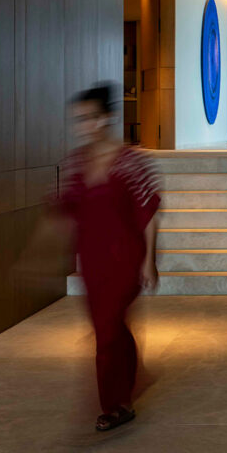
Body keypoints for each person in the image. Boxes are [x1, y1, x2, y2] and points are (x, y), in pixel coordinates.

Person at [58, 82, 161, 431]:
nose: (83, 126)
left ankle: (115, 405)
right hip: (91, 260)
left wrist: (149, 261)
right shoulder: (76, 162)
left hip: (124, 258)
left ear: (107, 119)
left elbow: (149, 210)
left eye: (89, 118)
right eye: (79, 119)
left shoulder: (132, 162)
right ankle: (129, 377)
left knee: (106, 332)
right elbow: (65, 207)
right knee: (111, 328)